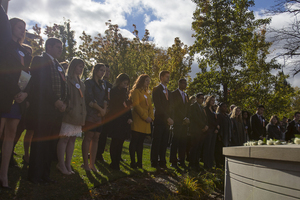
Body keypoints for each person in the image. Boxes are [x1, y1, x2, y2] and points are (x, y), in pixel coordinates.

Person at [28, 38, 67, 184]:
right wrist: (55, 101)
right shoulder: (39, 60)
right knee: (40, 143)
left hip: (57, 112)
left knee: (50, 144)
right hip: (43, 110)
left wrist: (63, 102)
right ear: (48, 47)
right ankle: (35, 175)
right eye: (58, 47)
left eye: (61, 47)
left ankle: (45, 174)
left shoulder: (58, 65)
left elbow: (64, 86)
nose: (60, 50)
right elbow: (40, 84)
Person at [0, 18, 31, 189]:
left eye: (24, 28)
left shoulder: (25, 52)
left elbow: (28, 75)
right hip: (4, 96)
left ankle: (3, 174)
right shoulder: (4, 47)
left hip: (18, 100)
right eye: (19, 27)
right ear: (11, 27)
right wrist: (15, 92)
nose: (22, 31)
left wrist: (25, 93)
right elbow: (3, 72)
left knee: (11, 136)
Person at [57, 58, 87, 175]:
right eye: (79, 66)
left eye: (82, 67)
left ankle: (68, 164)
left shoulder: (82, 83)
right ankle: (61, 164)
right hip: (69, 114)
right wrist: (69, 108)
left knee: (72, 139)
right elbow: (65, 96)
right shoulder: (67, 80)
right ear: (74, 66)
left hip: (78, 116)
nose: (81, 69)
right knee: (64, 139)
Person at [82, 63, 107, 171]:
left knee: (96, 137)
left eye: (104, 71)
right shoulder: (89, 82)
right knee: (89, 136)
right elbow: (89, 98)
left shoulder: (102, 83)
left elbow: (106, 98)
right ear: (95, 70)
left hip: (100, 115)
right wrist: (100, 110)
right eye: (101, 70)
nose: (103, 72)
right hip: (91, 114)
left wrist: (104, 110)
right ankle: (86, 164)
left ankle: (92, 163)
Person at [108, 73, 132, 171]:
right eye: (124, 83)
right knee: (115, 141)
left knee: (121, 142)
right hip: (116, 119)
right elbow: (115, 104)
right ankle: (114, 162)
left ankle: (117, 161)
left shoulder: (125, 92)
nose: (125, 85)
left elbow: (128, 106)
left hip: (124, 119)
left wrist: (130, 117)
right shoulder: (113, 91)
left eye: (127, 84)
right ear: (119, 82)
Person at [129, 74, 154, 169]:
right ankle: (133, 162)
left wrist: (151, 117)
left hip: (146, 122)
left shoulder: (147, 94)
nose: (148, 82)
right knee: (134, 142)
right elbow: (136, 105)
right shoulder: (136, 92)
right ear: (141, 81)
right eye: (146, 80)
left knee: (140, 143)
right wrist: (145, 116)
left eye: (149, 81)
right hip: (138, 121)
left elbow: (151, 108)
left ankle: (139, 162)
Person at [151, 70, 173, 169]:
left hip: (167, 121)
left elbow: (171, 106)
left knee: (164, 142)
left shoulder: (169, 91)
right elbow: (158, 106)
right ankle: (154, 161)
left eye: (169, 76)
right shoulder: (156, 89)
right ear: (161, 77)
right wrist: (167, 118)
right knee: (157, 141)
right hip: (160, 119)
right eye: (166, 76)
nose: (168, 78)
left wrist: (171, 118)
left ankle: (162, 161)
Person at [169, 78, 190, 170]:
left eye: (186, 83)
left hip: (185, 123)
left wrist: (188, 118)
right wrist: (183, 118)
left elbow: (188, 108)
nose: (185, 85)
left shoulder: (186, 95)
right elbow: (175, 108)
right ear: (179, 83)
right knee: (175, 142)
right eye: (183, 83)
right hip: (178, 121)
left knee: (183, 142)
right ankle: (173, 161)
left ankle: (181, 161)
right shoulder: (174, 94)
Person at [96, 64, 112, 162]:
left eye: (109, 71)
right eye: (105, 71)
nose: (107, 73)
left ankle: (99, 153)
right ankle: (92, 152)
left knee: (103, 134)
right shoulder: (96, 82)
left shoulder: (110, 86)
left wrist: (107, 110)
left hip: (106, 113)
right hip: (97, 111)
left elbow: (110, 99)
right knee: (94, 134)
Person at [188, 93, 208, 171]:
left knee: (199, 148)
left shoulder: (202, 108)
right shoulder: (193, 107)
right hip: (195, 130)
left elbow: (205, 118)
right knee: (194, 147)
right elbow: (195, 118)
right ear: (196, 98)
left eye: (203, 98)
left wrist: (206, 126)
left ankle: (196, 163)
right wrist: (203, 126)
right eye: (200, 98)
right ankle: (192, 164)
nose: (202, 100)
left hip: (201, 131)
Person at [203, 95, 219, 170]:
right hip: (208, 130)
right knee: (207, 147)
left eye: (214, 100)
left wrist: (216, 127)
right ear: (208, 101)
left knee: (212, 148)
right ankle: (206, 164)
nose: (213, 102)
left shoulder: (213, 110)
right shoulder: (205, 109)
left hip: (214, 131)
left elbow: (215, 120)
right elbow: (208, 120)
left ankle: (211, 164)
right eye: (212, 100)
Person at [215, 102, 231, 168]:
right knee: (219, 150)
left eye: (226, 106)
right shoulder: (218, 115)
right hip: (221, 135)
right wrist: (219, 135)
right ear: (220, 107)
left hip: (226, 135)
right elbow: (218, 125)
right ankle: (218, 164)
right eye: (224, 106)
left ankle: (223, 163)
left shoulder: (227, 116)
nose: (225, 108)